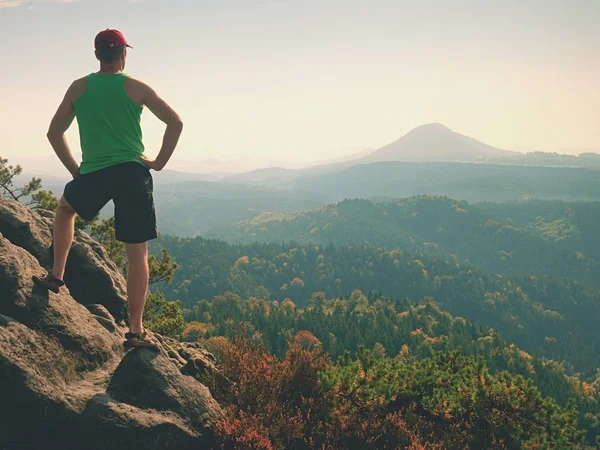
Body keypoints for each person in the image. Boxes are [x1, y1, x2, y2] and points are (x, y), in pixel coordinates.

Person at [33, 29, 183, 350]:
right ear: (123, 54)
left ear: (97, 54)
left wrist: (76, 171)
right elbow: (176, 122)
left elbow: (53, 133)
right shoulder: (136, 87)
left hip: (95, 171)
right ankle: (135, 331)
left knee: (64, 211)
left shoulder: (79, 88)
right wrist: (157, 162)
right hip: (132, 171)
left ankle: (57, 275)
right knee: (136, 252)